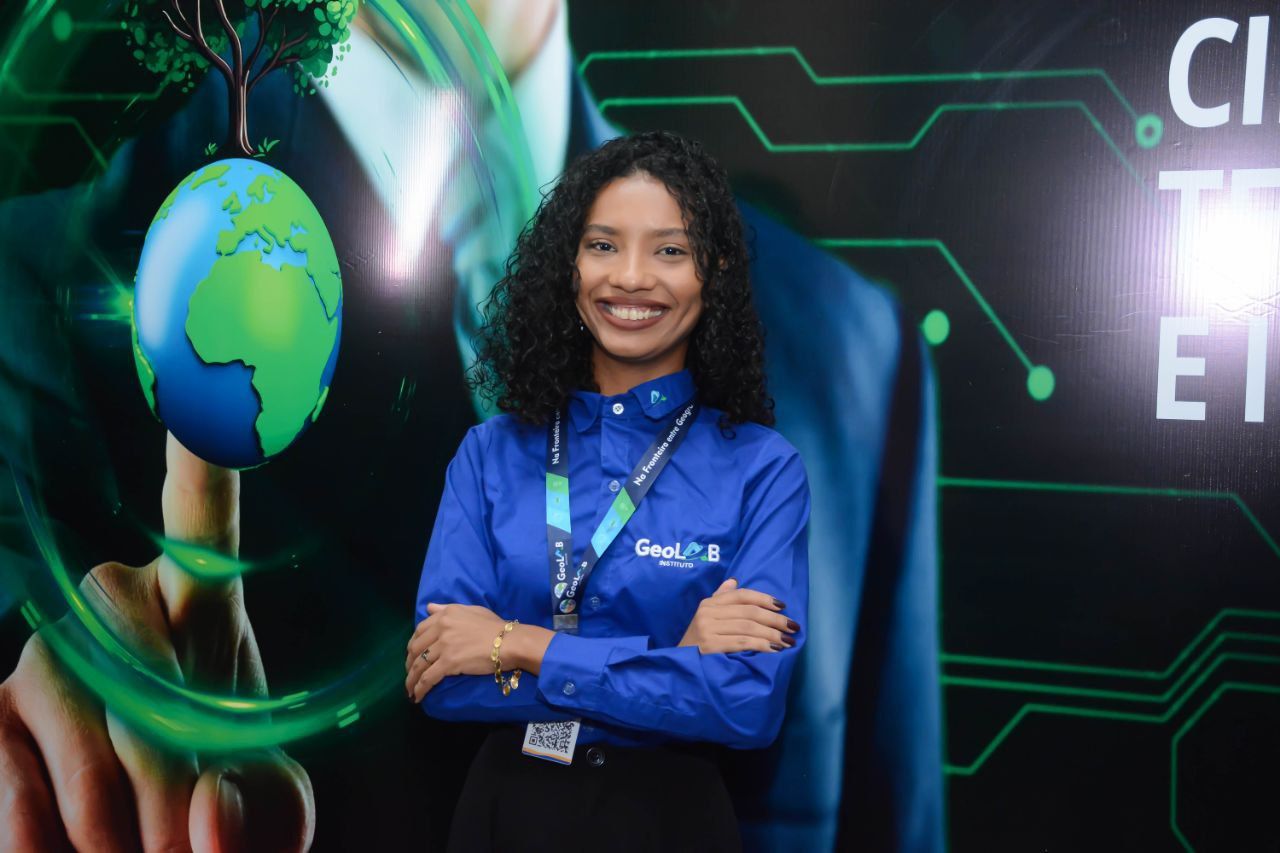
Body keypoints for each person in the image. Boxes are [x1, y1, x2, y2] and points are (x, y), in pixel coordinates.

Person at [404, 130, 809, 851]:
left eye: (670, 250)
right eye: (602, 245)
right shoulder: (489, 453)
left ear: (710, 272)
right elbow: (442, 679)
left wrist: (515, 642)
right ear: (569, 266)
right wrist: (673, 660)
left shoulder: (763, 469)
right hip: (507, 816)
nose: (630, 277)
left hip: (669, 822)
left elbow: (748, 703)